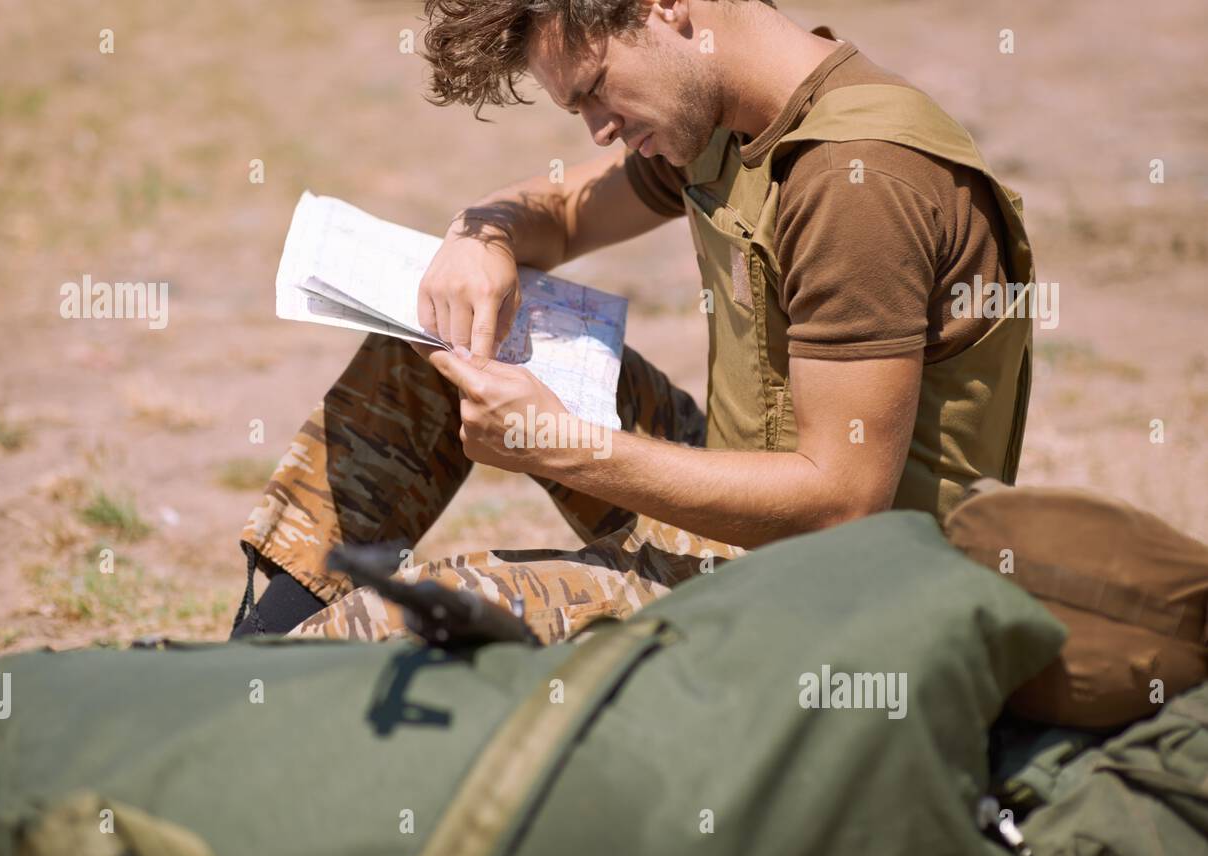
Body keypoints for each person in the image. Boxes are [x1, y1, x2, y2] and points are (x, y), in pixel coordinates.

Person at [231, 0, 1035, 642]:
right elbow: (565, 213)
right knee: (431, 344)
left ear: (665, 6)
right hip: (748, 519)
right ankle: (259, 648)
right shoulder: (726, 114)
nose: (599, 129)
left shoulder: (854, 182)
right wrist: (484, 234)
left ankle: (276, 684)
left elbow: (843, 501)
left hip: (833, 605)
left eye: (593, 90)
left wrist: (567, 446)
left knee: (392, 629)